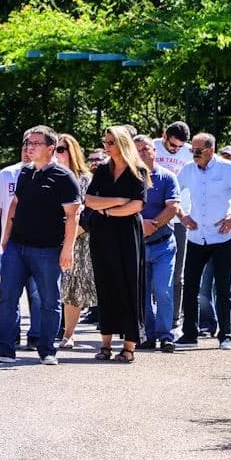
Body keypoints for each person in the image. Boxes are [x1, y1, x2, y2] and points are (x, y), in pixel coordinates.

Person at [0, 126, 80, 365]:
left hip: (48, 249)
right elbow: (14, 204)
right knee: (7, 298)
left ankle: (47, 350)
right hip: (17, 246)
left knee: (48, 301)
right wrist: (6, 237)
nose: (29, 147)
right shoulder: (25, 173)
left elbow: (73, 215)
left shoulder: (64, 177)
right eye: (28, 142)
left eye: (36, 143)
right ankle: (5, 349)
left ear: (51, 148)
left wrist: (67, 249)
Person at [82, 127, 148, 363]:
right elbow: (89, 200)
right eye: (106, 141)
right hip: (103, 234)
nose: (106, 146)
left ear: (122, 143)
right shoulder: (102, 170)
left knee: (130, 284)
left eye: (111, 142)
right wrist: (117, 202)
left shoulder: (137, 170)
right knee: (106, 284)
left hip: (128, 234)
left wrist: (106, 210)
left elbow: (137, 206)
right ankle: (106, 344)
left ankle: (129, 346)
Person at [176, 133, 231, 350]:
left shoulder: (226, 169)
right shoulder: (188, 169)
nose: (194, 154)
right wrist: (182, 215)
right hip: (197, 237)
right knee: (190, 285)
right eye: (192, 150)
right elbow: (173, 195)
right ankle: (189, 334)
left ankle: (225, 334)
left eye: (197, 150)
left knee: (224, 288)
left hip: (222, 236)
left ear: (211, 150)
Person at [133, 135, 181, 352]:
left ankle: (165, 335)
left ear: (154, 150)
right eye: (137, 150)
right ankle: (147, 334)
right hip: (137, 246)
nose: (142, 153)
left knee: (163, 290)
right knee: (141, 293)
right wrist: (140, 226)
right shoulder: (129, 178)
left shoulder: (167, 177)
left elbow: (173, 207)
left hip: (163, 244)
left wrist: (152, 225)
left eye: (145, 149)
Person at [0, 139, 41, 352]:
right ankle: (9, 338)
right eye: (24, 146)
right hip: (10, 242)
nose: (27, 151)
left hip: (37, 243)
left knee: (36, 293)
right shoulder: (6, 174)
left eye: (31, 146)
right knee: (9, 294)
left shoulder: (46, 173)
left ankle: (36, 336)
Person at [53, 133, 95, 350]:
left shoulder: (85, 179)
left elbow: (87, 216)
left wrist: (67, 239)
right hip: (51, 239)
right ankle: (61, 332)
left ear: (72, 152)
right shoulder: (51, 176)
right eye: (55, 149)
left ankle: (71, 334)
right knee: (61, 288)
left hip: (79, 240)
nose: (57, 154)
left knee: (76, 287)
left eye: (61, 149)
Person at [152, 121, 193, 327]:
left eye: (179, 146)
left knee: (177, 271)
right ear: (164, 136)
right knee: (147, 270)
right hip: (151, 217)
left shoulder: (189, 152)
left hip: (179, 218)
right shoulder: (151, 147)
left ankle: (173, 319)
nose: (176, 150)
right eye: (173, 145)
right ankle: (148, 319)